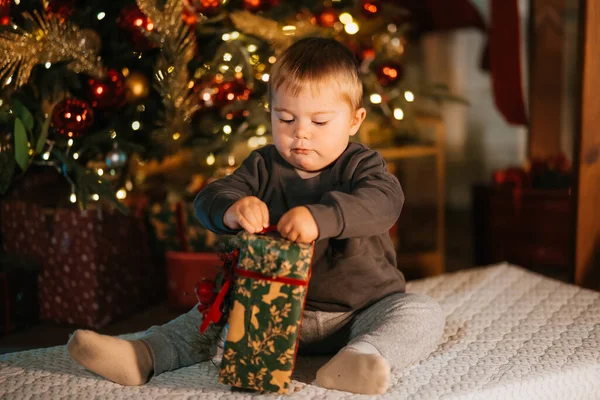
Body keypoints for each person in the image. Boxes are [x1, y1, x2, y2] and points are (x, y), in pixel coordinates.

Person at [68, 37, 445, 395]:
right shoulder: (264, 165)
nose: (301, 135)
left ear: (353, 120)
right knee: (206, 317)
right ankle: (144, 354)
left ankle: (362, 358)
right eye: (285, 119)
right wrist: (233, 208)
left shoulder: (362, 165)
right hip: (271, 310)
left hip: (359, 311)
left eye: (319, 122)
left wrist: (321, 217)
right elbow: (209, 198)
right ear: (271, 114)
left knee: (421, 312)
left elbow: (383, 202)